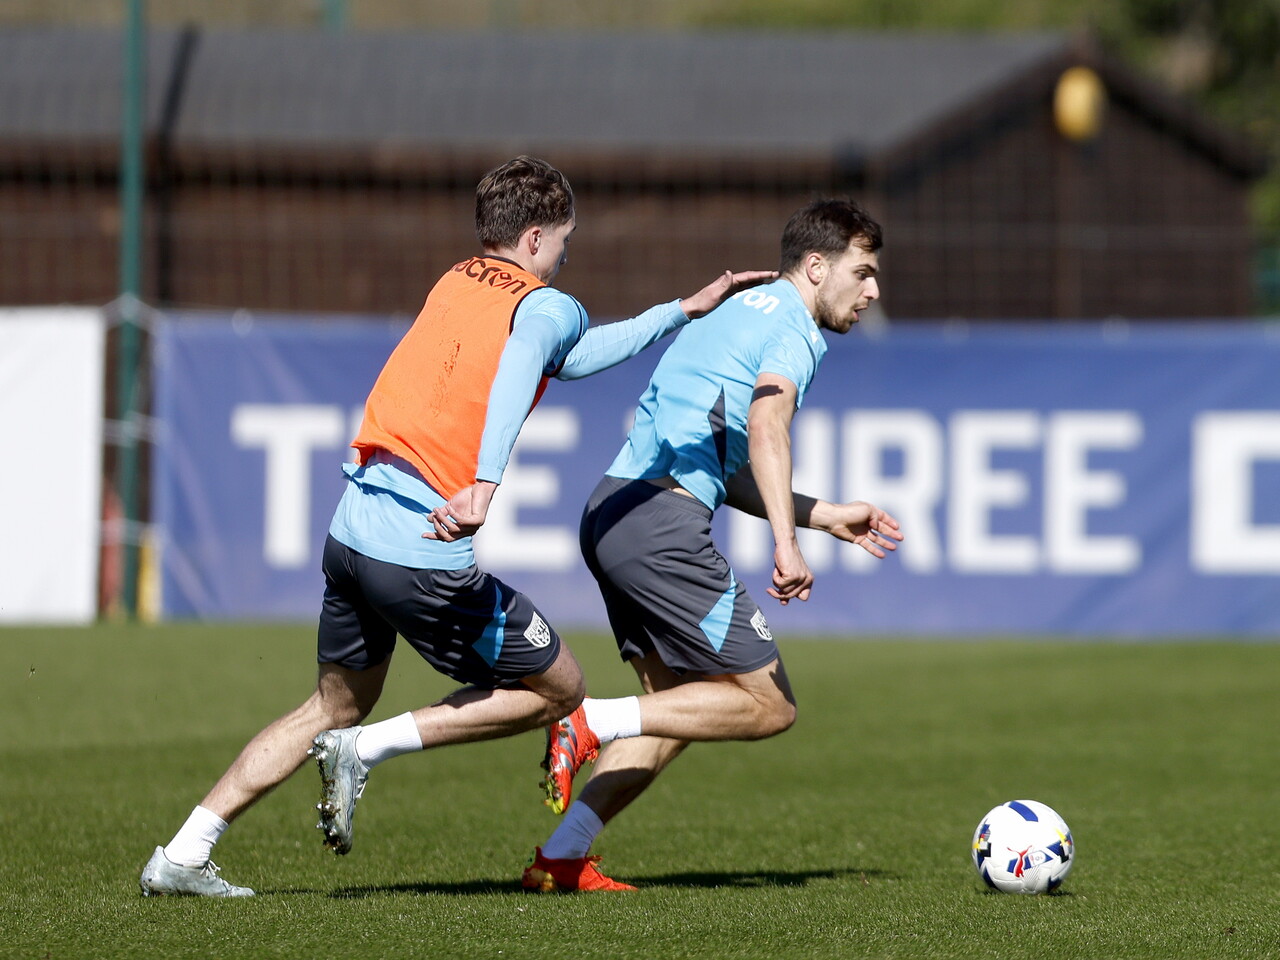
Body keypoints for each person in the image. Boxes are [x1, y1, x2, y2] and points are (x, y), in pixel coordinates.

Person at [138, 155, 776, 897]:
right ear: (535, 238)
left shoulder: (458, 281)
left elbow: (568, 356)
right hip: (422, 547)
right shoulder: (546, 304)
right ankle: (365, 749)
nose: (566, 254)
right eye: (565, 239)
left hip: (352, 534)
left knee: (329, 702)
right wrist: (483, 485)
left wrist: (680, 310)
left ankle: (184, 851)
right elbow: (525, 361)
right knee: (560, 689)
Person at [518, 198, 904, 893]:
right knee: (768, 703)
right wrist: (787, 545)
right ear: (816, 268)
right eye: (864, 271)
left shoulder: (739, 310)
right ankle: (587, 721)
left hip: (614, 509)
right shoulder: (795, 329)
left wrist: (821, 515)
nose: (873, 291)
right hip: (660, 524)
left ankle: (561, 856)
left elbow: (726, 468)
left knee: (679, 706)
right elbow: (766, 431)